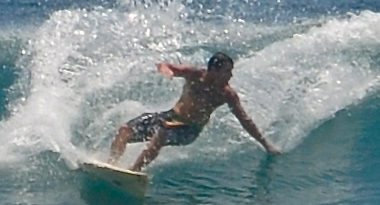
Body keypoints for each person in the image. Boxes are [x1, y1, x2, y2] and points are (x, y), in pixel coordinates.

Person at [108, 52, 280, 171]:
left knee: (161, 134)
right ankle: (111, 165)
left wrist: (266, 144)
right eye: (227, 71)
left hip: (189, 129)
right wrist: (168, 72)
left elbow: (245, 121)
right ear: (214, 70)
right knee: (125, 130)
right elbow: (164, 65)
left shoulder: (226, 94)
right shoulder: (194, 75)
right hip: (170, 117)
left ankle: (134, 171)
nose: (231, 76)